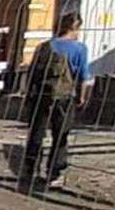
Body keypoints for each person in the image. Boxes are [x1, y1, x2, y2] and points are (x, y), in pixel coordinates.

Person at [18, 11, 91, 194]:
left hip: (41, 96)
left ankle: (29, 170)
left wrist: (28, 95)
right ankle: (54, 173)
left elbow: (32, 73)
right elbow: (83, 77)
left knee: (36, 133)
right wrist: (82, 97)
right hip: (64, 98)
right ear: (75, 28)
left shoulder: (43, 47)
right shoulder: (79, 48)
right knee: (60, 137)